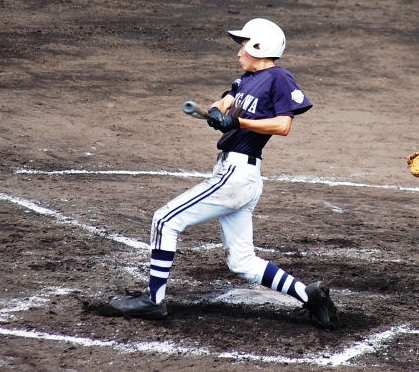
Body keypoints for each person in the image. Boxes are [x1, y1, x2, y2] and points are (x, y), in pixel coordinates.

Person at [108, 18, 338, 327]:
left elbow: (283, 125)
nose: (239, 52)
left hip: (237, 175)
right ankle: (308, 294)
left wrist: (238, 122)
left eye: (244, 45)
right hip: (238, 175)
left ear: (260, 46)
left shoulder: (278, 77)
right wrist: (217, 111)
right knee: (242, 261)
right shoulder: (246, 79)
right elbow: (226, 101)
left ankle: (153, 301)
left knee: (165, 220)